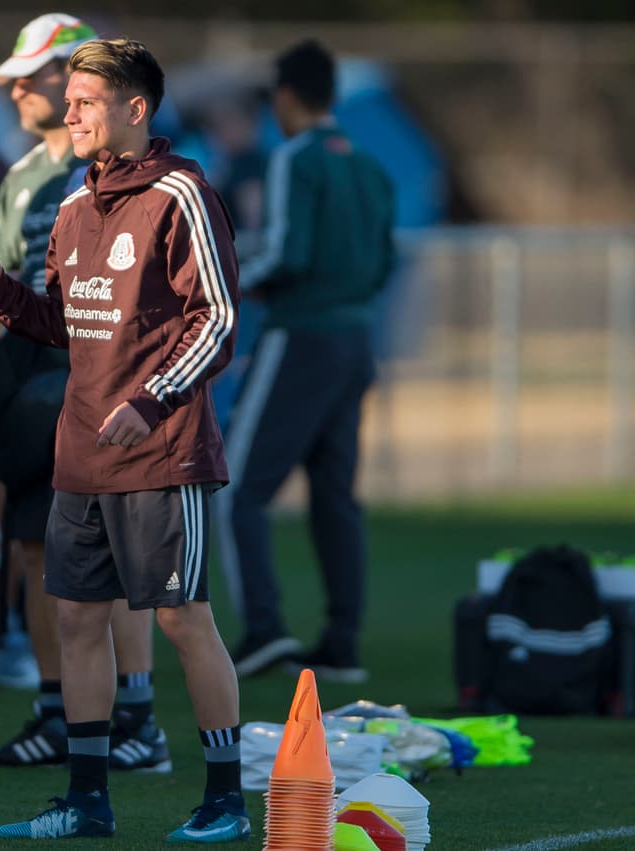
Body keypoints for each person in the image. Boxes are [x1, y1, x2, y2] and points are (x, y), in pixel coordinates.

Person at [0, 37, 250, 843]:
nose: (71, 114)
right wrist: (0, 295)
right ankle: (86, 800)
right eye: (69, 102)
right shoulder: (71, 206)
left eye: (85, 102)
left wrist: (152, 401)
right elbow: (64, 324)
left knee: (182, 618)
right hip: (81, 455)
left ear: (135, 108)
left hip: (162, 453)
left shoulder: (182, 192)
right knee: (79, 621)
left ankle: (225, 800)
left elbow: (218, 320)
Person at [0, 13, 171, 773]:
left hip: (96, 389)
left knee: (120, 559)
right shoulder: (21, 175)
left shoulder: (122, 173)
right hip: (27, 389)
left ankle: (134, 718)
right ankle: (58, 714)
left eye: (32, 78)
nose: (18, 92)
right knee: (36, 549)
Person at [215, 40, 396, 682]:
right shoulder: (368, 164)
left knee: (237, 489)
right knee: (334, 498)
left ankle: (263, 628)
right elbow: (384, 260)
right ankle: (342, 641)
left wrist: (226, 283)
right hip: (356, 340)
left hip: (301, 337)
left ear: (287, 96)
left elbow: (286, 253)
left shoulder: (295, 157)